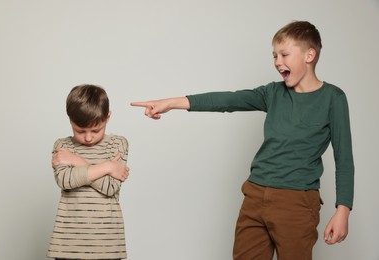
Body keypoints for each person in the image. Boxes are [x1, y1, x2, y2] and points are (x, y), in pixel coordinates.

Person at [131, 21, 354, 260]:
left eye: (284, 54)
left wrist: (343, 211)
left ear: (310, 55)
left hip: (296, 201)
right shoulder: (273, 93)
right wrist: (172, 103)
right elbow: (228, 100)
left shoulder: (333, 98)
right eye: (274, 55)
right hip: (255, 195)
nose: (278, 61)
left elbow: (344, 158)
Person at [47, 84, 130, 260]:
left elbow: (109, 187)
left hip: (107, 244)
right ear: (70, 120)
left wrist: (76, 161)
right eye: (80, 131)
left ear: (107, 117)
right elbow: (65, 180)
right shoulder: (63, 146)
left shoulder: (117, 144)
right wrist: (107, 167)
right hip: (67, 244)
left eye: (95, 130)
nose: (88, 137)